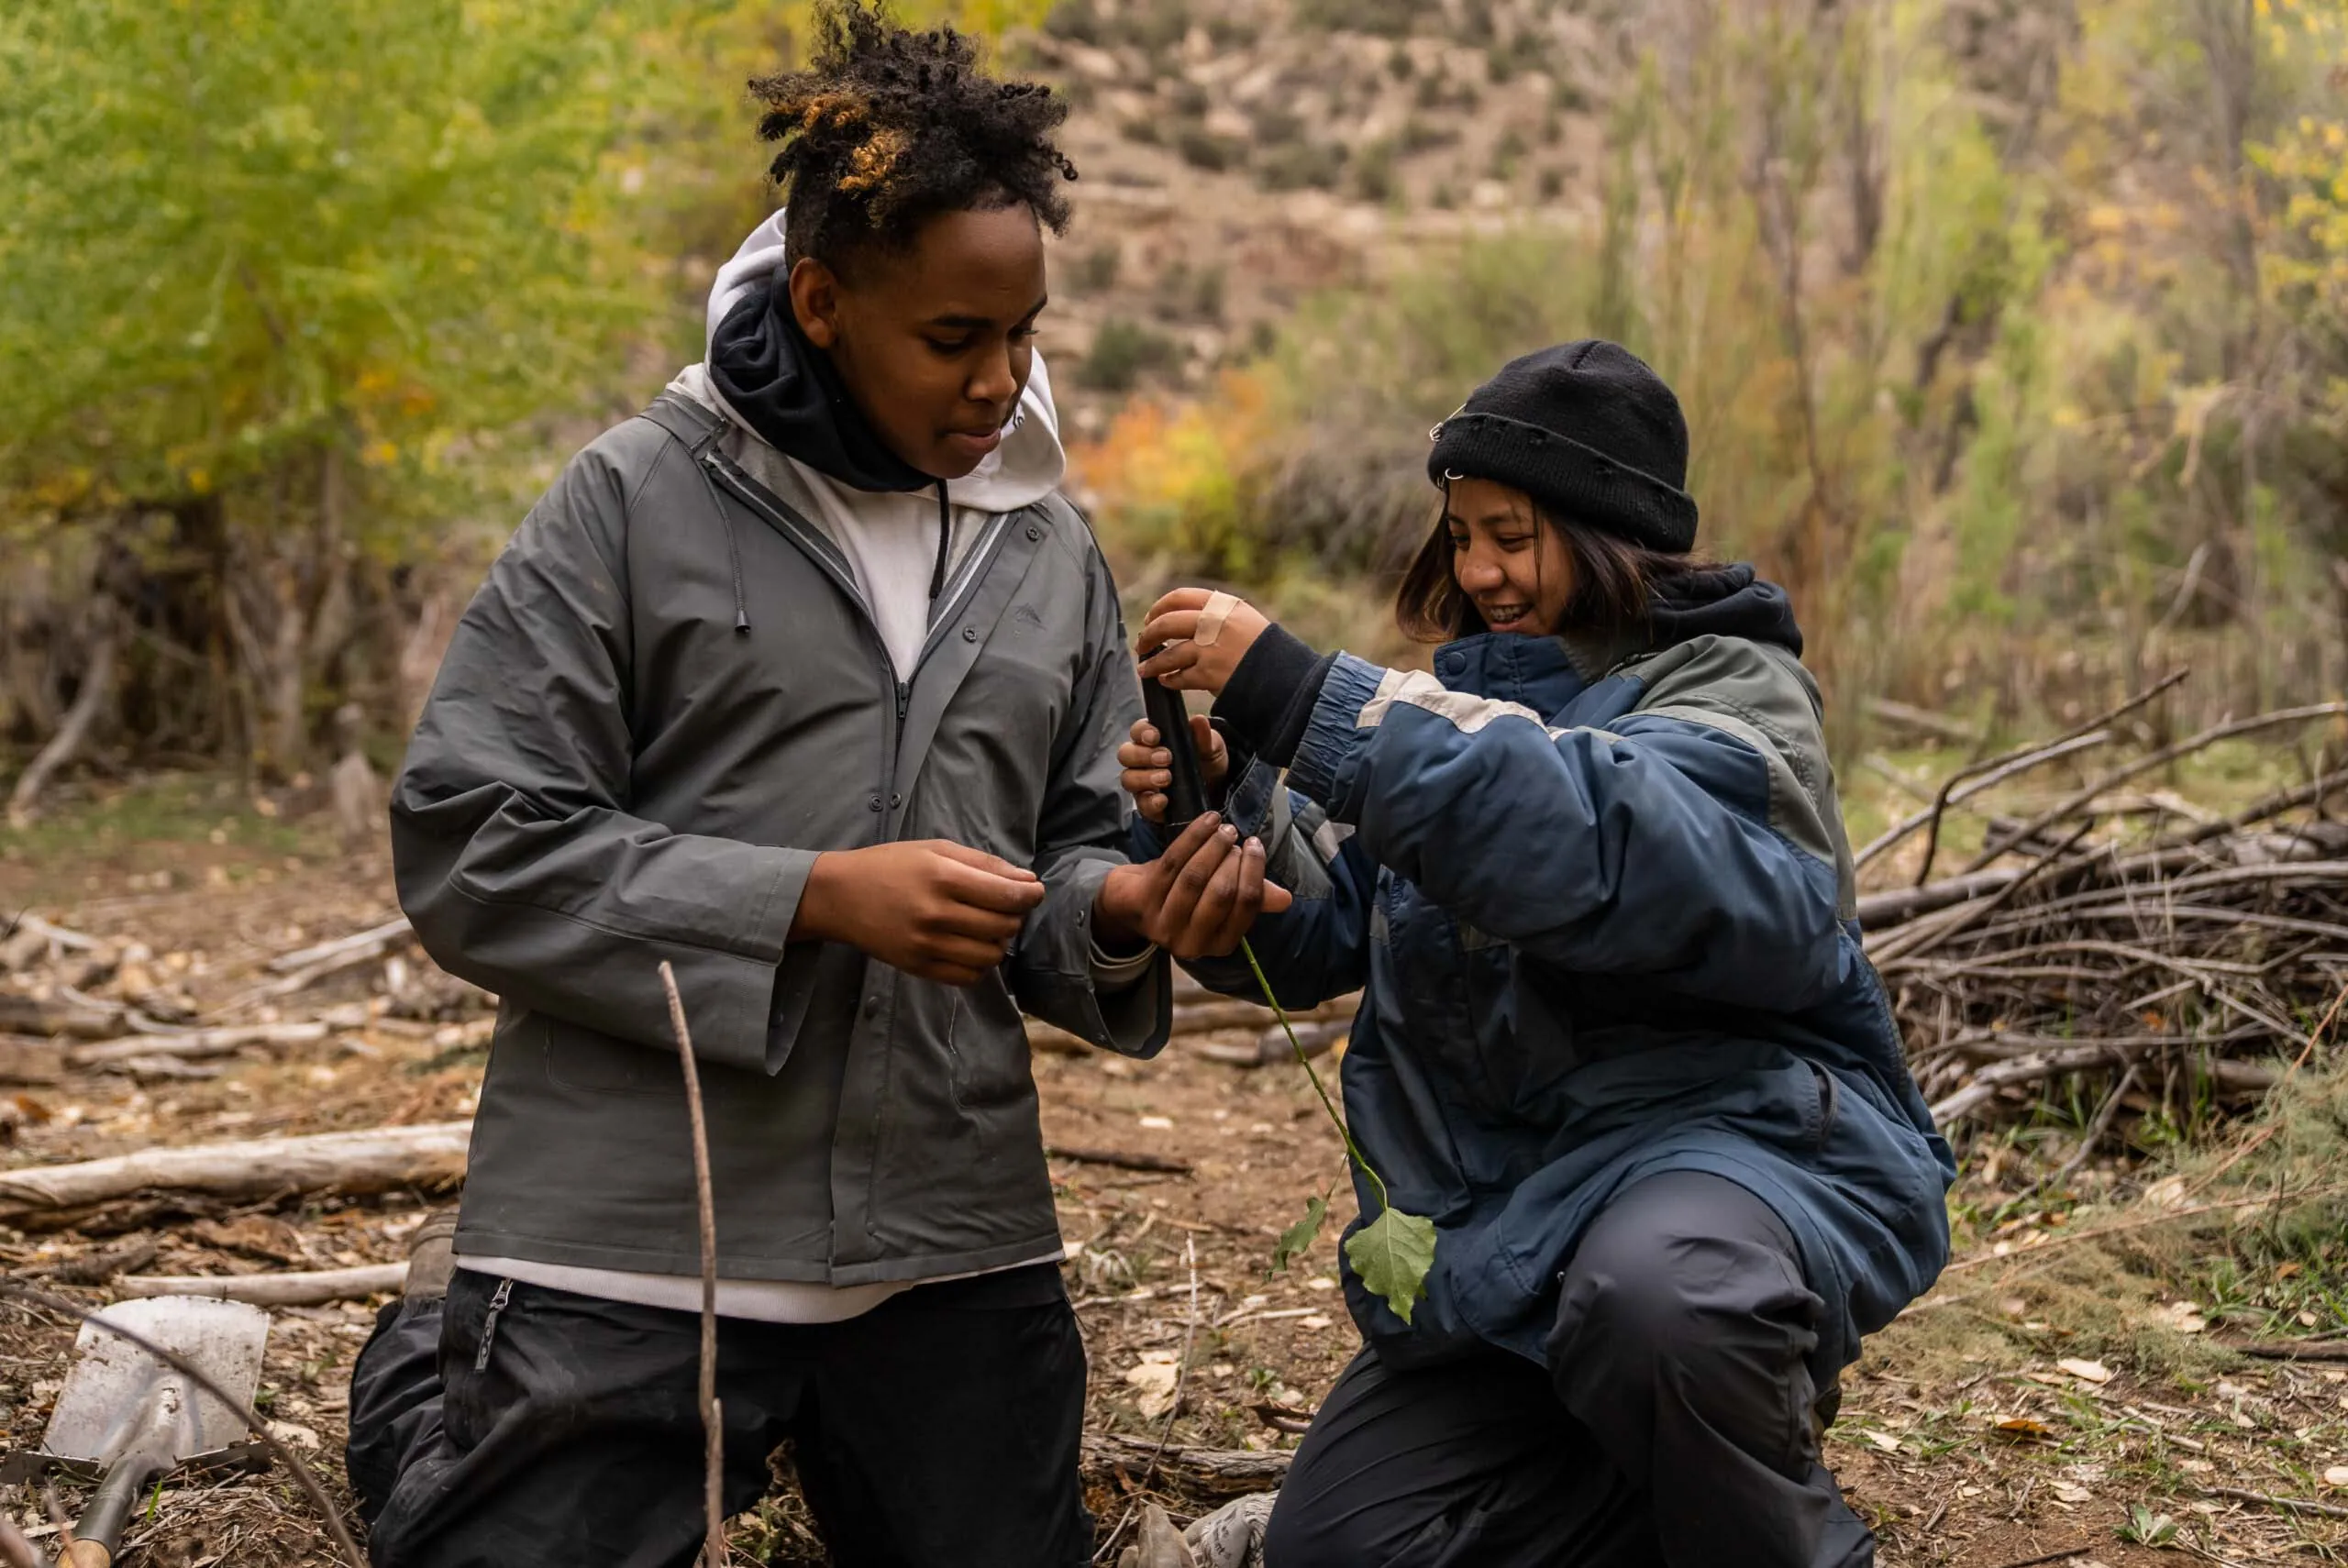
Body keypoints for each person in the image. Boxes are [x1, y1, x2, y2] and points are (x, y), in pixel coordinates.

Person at [349, 7, 1285, 1565]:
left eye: (1025, 334)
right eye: (952, 340)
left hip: (949, 1232)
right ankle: (426, 1397)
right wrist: (809, 900)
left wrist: (1124, 904)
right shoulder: (637, 497)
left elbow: (1065, 854)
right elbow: (471, 835)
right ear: (822, 299)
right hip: (635, 1234)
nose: (1001, 385)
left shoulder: (1046, 540)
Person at [1117, 341, 1954, 1568]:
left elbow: (1592, 835)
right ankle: (1675, 1460)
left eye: (1511, 533)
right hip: (1512, 1222)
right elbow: (1331, 930)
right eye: (1460, 535)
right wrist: (1229, 817)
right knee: (1341, 1549)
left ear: (1614, 531)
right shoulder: (1467, 703)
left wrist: (1310, 696)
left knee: (1659, 1301)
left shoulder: (1732, 697)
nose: (1479, 570)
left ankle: (1737, 1460)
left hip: (1729, 1158)